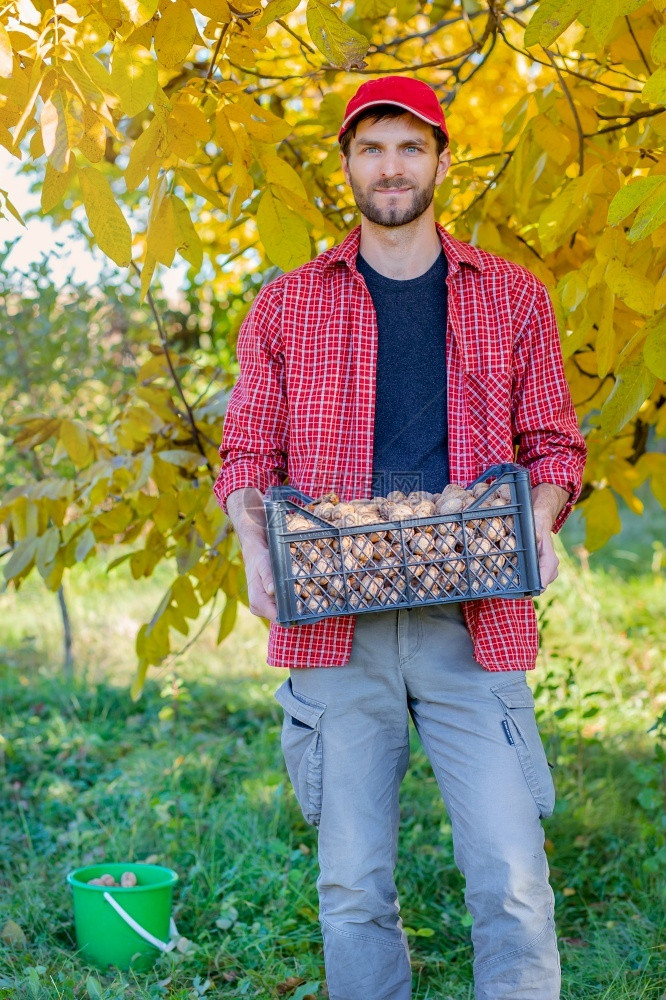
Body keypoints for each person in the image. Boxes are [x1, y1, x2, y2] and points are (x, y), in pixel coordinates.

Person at [214, 76, 586, 1000]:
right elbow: (245, 456)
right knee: (350, 885)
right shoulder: (287, 303)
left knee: (512, 877)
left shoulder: (510, 295)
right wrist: (257, 548)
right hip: (334, 621)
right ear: (346, 165)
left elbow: (554, 446)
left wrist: (537, 521)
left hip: (475, 615)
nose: (391, 167)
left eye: (410, 147)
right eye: (372, 148)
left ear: (442, 161)